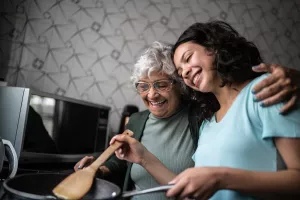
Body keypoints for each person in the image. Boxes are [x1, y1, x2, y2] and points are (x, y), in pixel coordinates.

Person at [75, 41, 298, 199]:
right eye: (143, 86)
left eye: (161, 84)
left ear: (180, 85)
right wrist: (98, 167)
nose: (151, 94)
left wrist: (295, 77)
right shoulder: (136, 120)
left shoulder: (203, 115)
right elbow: (122, 159)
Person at [162, 21, 300, 199]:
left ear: (214, 47)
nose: (185, 73)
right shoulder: (207, 125)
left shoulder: (265, 90)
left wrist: (222, 178)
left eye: (188, 58)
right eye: (180, 73)